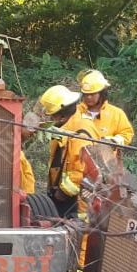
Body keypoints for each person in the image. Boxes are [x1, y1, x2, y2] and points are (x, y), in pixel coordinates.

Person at [37, 85, 99, 218]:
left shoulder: (81, 132)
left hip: (74, 203)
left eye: (52, 116)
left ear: (62, 116)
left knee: (76, 235)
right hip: (61, 195)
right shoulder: (66, 127)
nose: (51, 119)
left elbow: (79, 171)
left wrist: (62, 193)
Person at [76, 69, 134, 146]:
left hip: (105, 156)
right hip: (78, 156)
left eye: (92, 94)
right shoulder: (75, 111)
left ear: (102, 93)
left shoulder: (116, 113)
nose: (88, 97)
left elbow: (127, 134)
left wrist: (113, 141)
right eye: (86, 94)